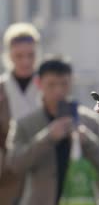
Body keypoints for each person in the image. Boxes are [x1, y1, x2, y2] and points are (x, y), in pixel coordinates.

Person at [6, 56, 99, 205]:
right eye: (51, 85)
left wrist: (86, 139)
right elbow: (15, 165)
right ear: (39, 84)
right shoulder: (25, 123)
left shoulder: (90, 122)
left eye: (64, 84)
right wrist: (47, 137)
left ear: (71, 82)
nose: (58, 91)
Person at [0, 23, 42, 203]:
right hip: (8, 177)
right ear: (9, 55)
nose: (25, 61)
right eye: (19, 56)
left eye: (30, 55)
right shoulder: (2, 89)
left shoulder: (48, 85)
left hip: (42, 173)